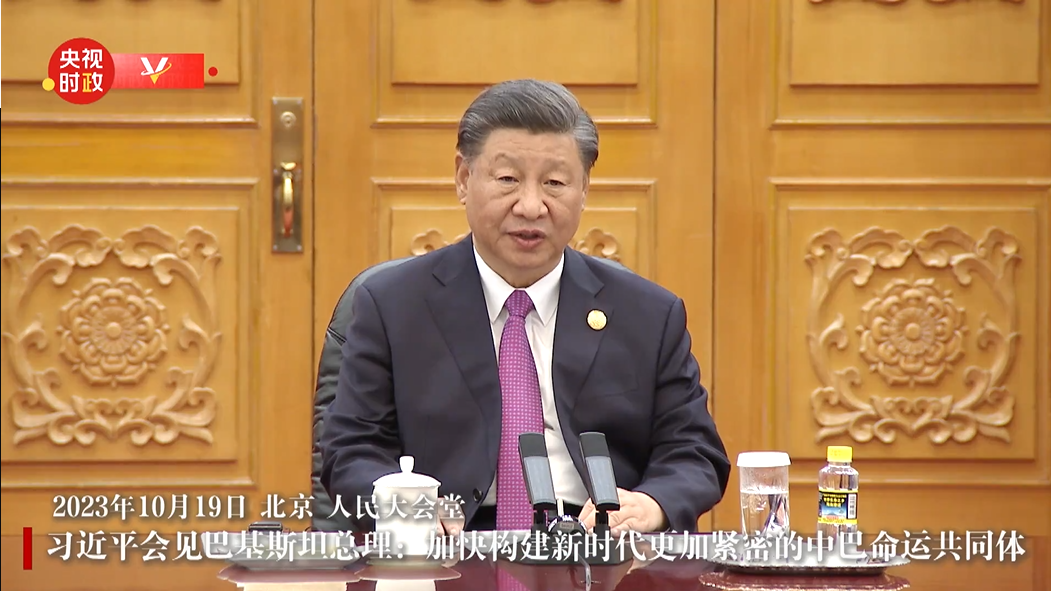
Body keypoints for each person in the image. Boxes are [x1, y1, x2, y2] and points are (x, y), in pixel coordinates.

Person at [320, 79, 730, 535]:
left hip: (598, 544)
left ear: (584, 189)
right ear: (463, 179)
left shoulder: (647, 314)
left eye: (554, 183)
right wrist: (406, 507)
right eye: (508, 180)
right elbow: (350, 452)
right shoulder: (393, 305)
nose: (532, 207)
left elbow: (694, 452)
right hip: (451, 545)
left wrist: (651, 505)